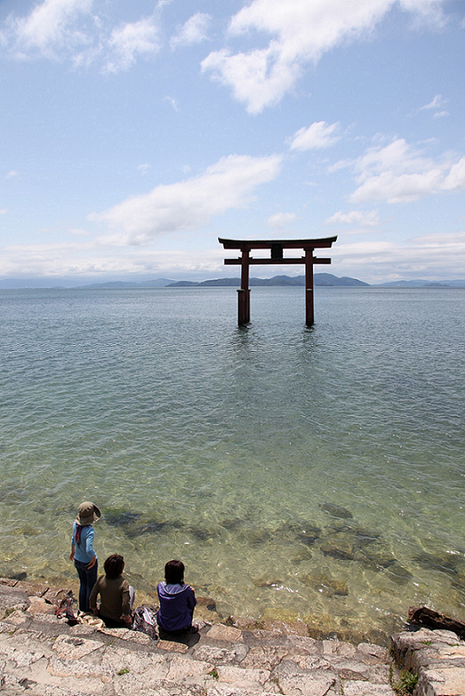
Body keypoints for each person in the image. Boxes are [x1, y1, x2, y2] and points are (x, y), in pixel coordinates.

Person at [69, 501, 100, 613]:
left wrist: (72, 552)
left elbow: (73, 539)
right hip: (87, 562)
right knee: (91, 586)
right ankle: (90, 609)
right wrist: (93, 557)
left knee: (83, 584)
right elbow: (88, 549)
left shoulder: (75, 525)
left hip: (77, 560)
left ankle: (82, 608)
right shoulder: (89, 531)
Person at [89, 553, 135, 628]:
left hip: (103, 615)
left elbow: (92, 597)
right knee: (131, 589)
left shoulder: (101, 579)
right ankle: (127, 617)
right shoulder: (123, 583)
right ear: (120, 570)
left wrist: (94, 609)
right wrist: (127, 617)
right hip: (118, 619)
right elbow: (125, 603)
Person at [157, 559, 197, 634]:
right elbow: (192, 604)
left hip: (163, 624)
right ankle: (188, 627)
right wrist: (192, 593)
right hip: (181, 628)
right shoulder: (186, 590)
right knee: (190, 600)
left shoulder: (160, 586)